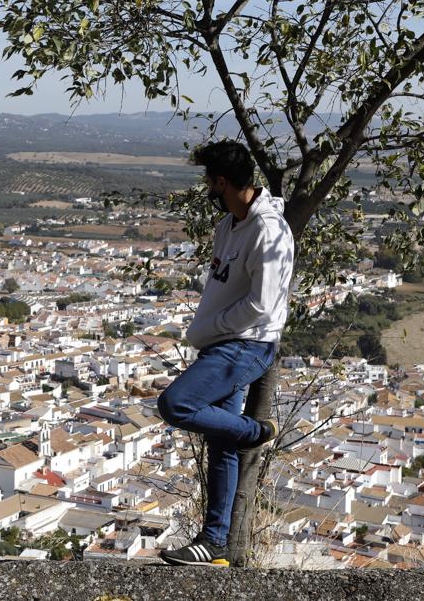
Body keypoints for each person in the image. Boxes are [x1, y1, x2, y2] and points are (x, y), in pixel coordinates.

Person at [157, 140, 295, 566]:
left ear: (221, 181)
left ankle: (254, 431)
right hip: (225, 344)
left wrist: (207, 329)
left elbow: (263, 305)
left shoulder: (268, 231)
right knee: (221, 443)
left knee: (175, 404)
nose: (205, 186)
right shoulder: (229, 226)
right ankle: (214, 541)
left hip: (245, 346)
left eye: (208, 179)